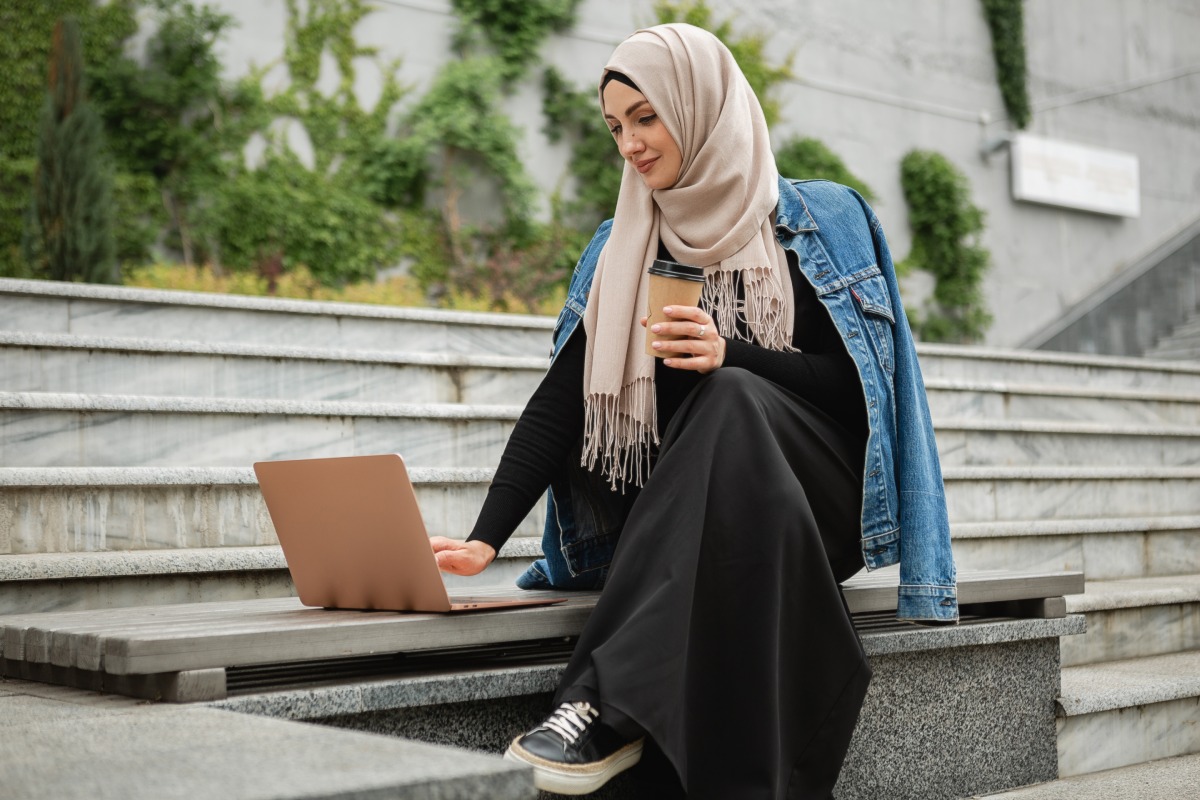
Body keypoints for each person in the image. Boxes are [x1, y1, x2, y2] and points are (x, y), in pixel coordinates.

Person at [430, 22, 957, 799]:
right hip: (709, 517)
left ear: (702, 105)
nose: (630, 145)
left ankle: (595, 704)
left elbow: (863, 393)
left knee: (731, 394)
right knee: (725, 427)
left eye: (646, 117)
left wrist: (731, 353)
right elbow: (565, 401)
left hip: (822, 498)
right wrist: (483, 538)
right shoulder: (625, 244)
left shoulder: (823, 219)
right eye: (615, 126)